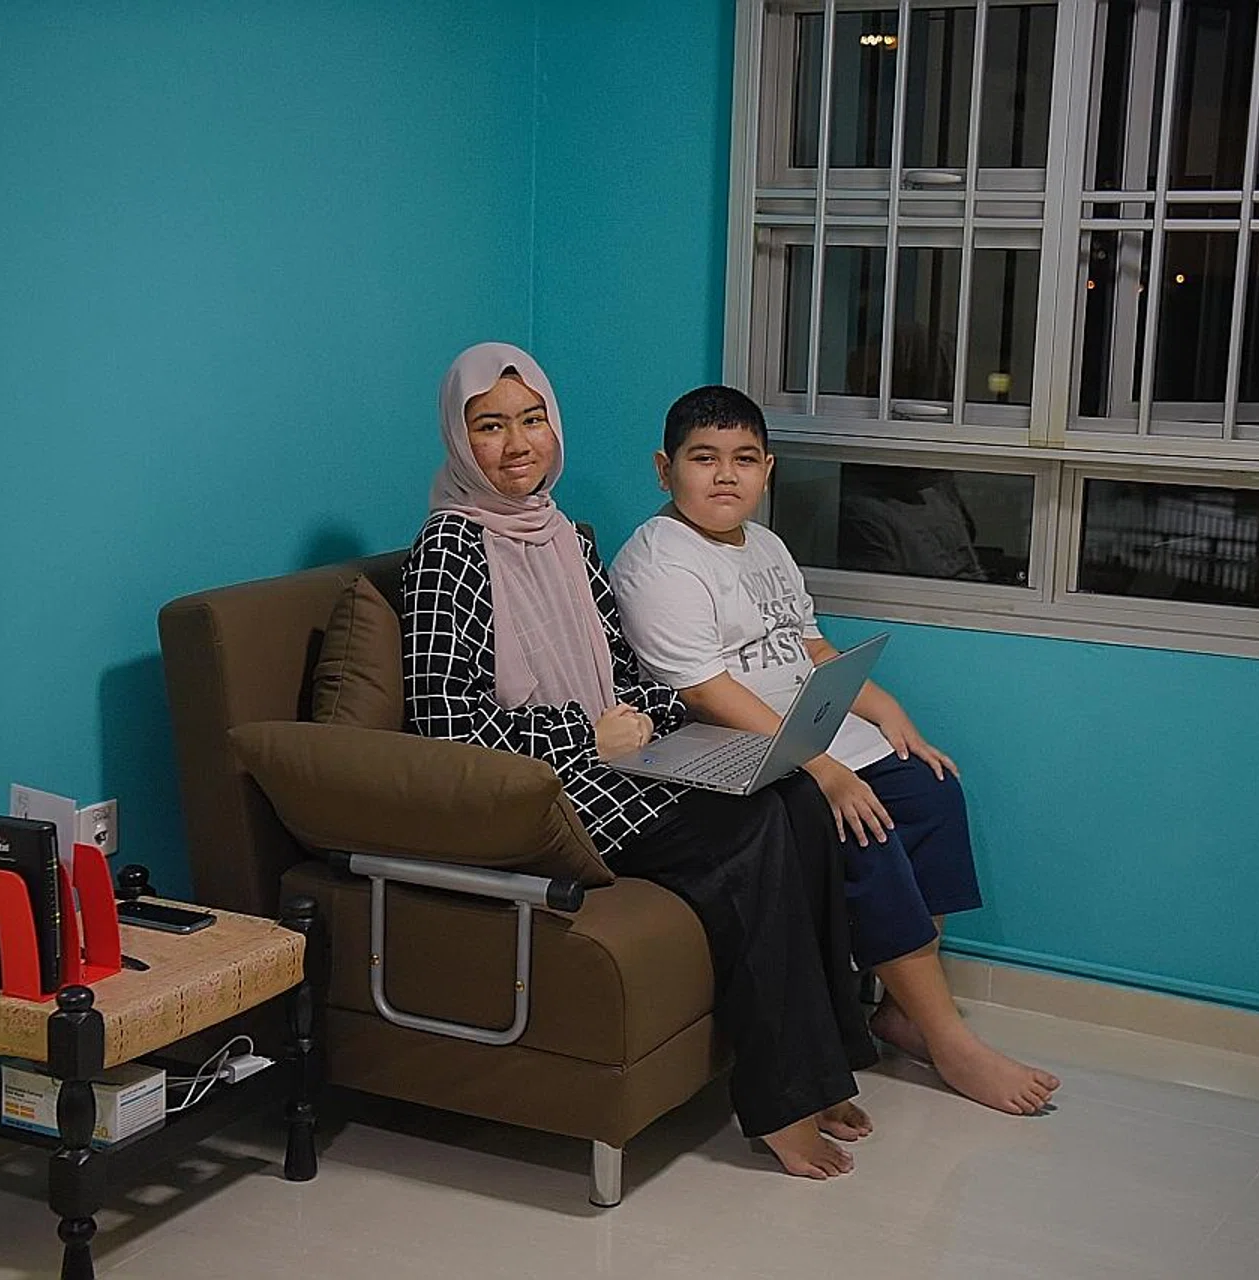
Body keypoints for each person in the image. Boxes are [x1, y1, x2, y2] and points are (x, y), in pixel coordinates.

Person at [403, 343, 873, 1178]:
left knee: (794, 795)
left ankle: (825, 1060)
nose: (518, 443)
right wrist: (586, 736)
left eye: (533, 418)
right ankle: (781, 1099)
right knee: (754, 823)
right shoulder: (449, 550)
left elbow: (629, 677)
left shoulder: (565, 538)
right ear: (456, 439)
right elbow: (445, 730)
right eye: (490, 426)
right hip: (542, 791)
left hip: (619, 763)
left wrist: (642, 721)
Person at [610, 384, 1061, 1116]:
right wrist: (824, 769)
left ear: (769, 470)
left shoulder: (766, 545)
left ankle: (903, 1011)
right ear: (665, 470)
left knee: (930, 787)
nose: (726, 475)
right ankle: (952, 1043)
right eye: (704, 459)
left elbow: (811, 646)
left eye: (744, 460)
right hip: (735, 747)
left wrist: (889, 714)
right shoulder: (659, 560)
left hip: (806, 730)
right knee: (864, 820)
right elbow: (703, 692)